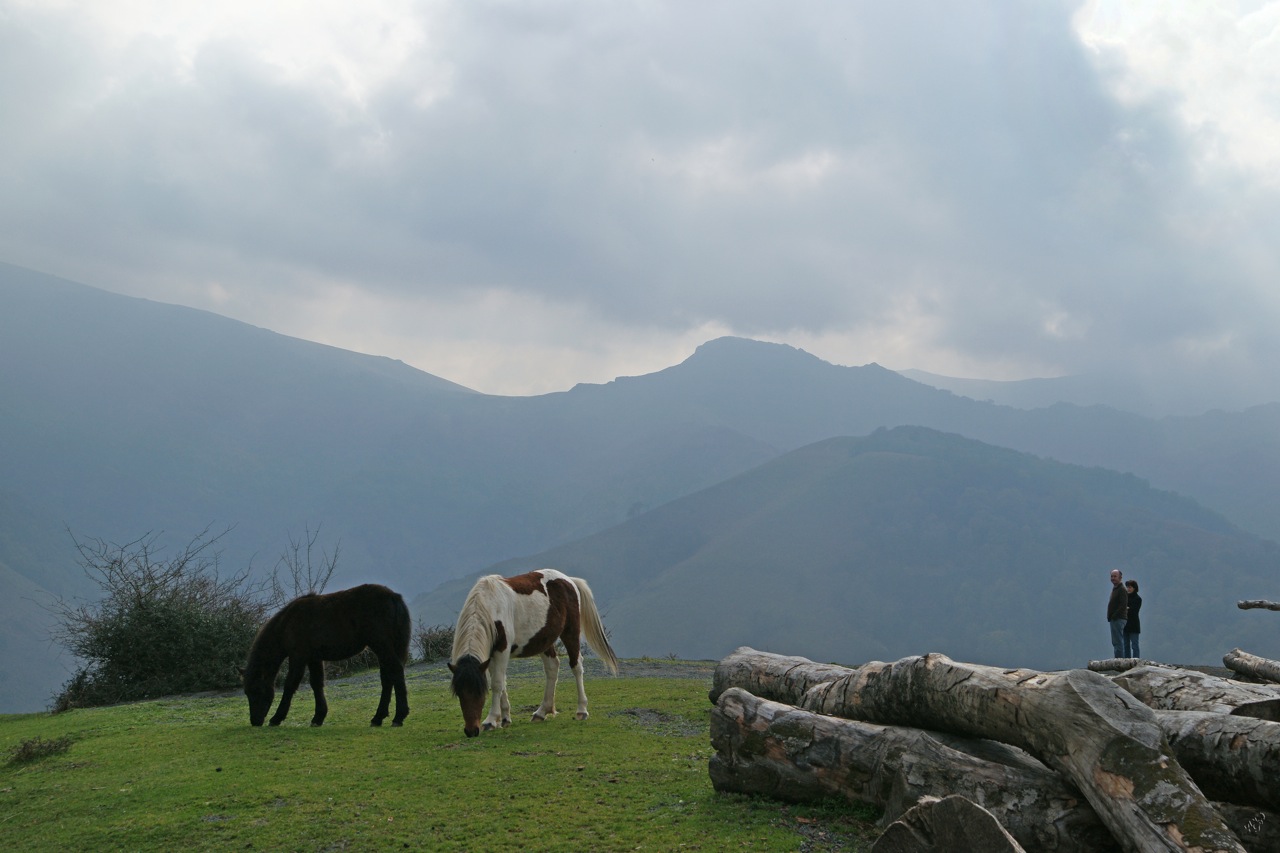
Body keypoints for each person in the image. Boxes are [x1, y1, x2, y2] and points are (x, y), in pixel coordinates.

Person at [1107, 569, 1128, 658]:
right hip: (1114, 618)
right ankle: (1118, 660)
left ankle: (1119, 662)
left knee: (1118, 642)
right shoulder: (1115, 589)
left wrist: (1114, 615)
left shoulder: (1122, 589)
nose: (1113, 578)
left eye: (1115, 576)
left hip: (1118, 618)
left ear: (1120, 577)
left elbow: (1123, 604)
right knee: (1115, 642)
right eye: (1112, 576)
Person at [1124, 580, 1142, 659]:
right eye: (1127, 587)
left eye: (1130, 587)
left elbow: (1134, 611)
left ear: (1134, 588)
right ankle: (1126, 661)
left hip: (1134, 624)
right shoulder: (1125, 597)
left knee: (1134, 645)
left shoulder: (1138, 599)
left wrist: (1126, 609)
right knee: (1126, 645)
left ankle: (1136, 661)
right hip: (1125, 624)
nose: (1128, 589)